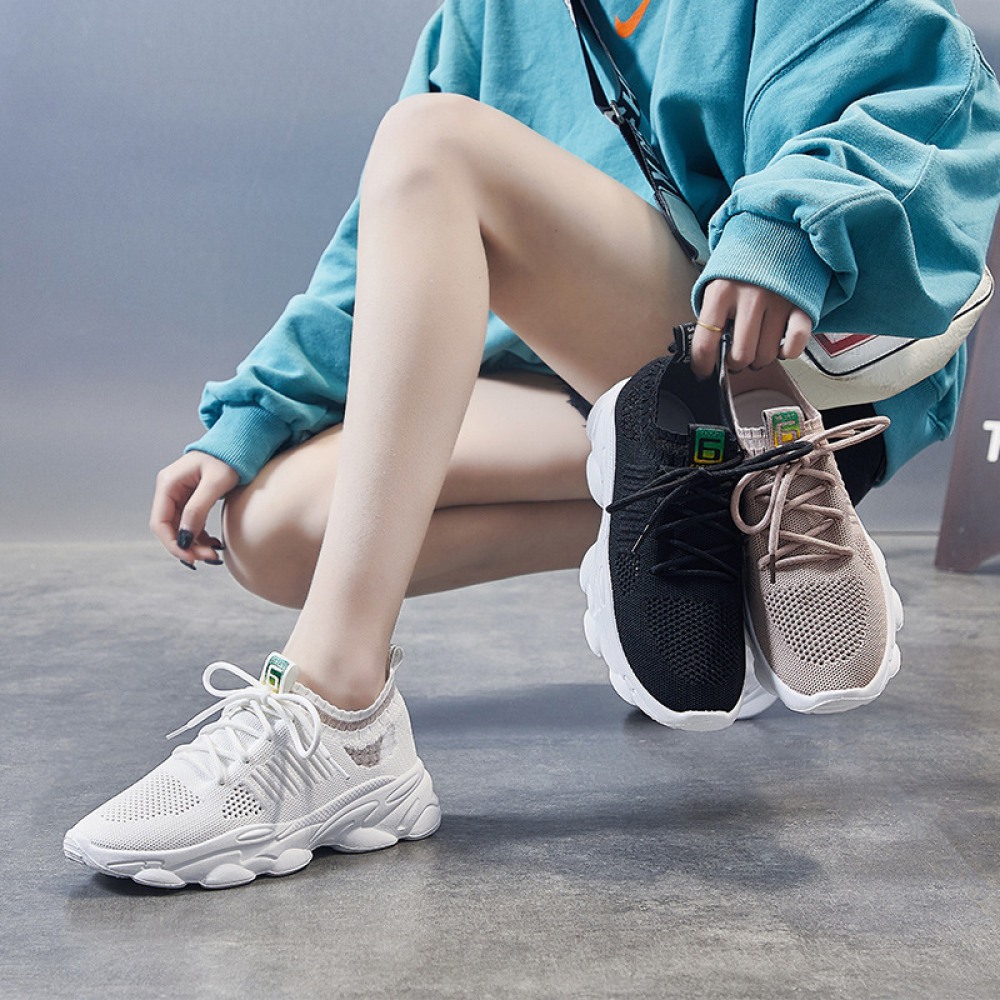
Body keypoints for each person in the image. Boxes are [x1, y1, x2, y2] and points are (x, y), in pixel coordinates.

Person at [63, 0, 1000, 888]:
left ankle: (339, 717)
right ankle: (729, 551)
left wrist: (786, 229)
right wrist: (254, 413)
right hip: (589, 371)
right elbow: (377, 248)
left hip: (779, 353)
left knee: (435, 145)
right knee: (276, 528)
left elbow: (917, 93)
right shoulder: (490, 14)